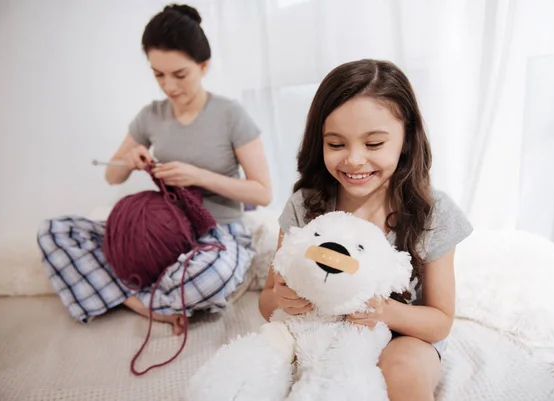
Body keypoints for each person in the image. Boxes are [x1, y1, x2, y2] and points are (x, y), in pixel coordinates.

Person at [37, 4, 271, 336]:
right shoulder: (151, 116)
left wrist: (197, 176)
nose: (169, 86)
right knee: (54, 232)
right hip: (163, 232)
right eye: (158, 74)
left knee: (212, 275)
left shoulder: (230, 114)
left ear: (203, 66)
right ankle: (146, 301)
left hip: (217, 231)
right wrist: (131, 160)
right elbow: (111, 175)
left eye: (179, 74)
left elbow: (263, 192)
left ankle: (126, 290)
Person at [258, 59, 472, 401]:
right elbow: (269, 300)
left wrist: (383, 312)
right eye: (336, 144)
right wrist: (284, 299)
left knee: (400, 371)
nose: (355, 160)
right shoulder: (305, 206)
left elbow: (439, 321)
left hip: (405, 336)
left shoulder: (433, 212)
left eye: (374, 145)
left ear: (406, 140)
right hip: (321, 334)